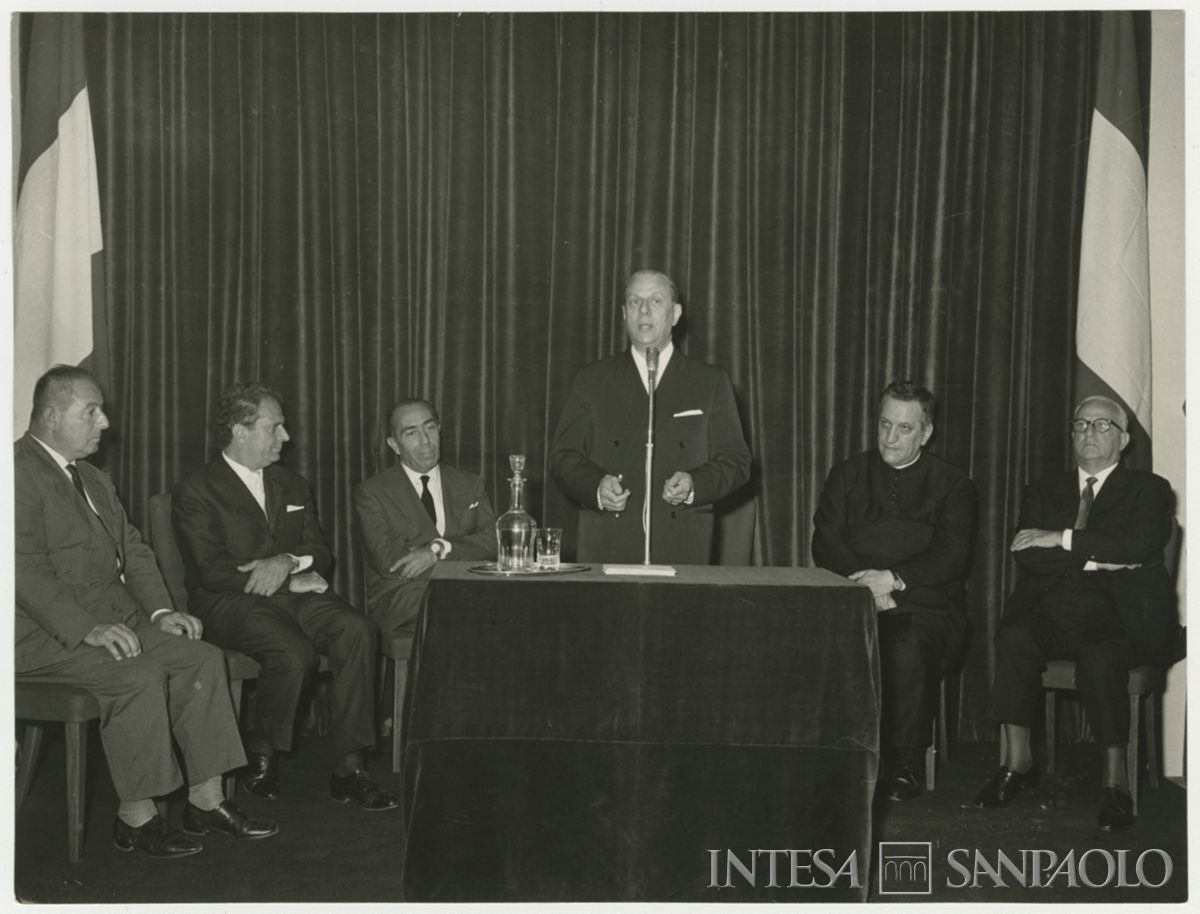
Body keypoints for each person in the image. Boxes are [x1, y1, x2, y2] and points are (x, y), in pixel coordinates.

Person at [15, 366, 277, 857]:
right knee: (136, 674)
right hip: (43, 638)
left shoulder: (92, 478)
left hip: (118, 621)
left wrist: (159, 612)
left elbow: (132, 551)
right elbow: (22, 570)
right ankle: (136, 816)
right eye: (90, 411)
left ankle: (206, 800)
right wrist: (87, 628)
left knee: (200, 657)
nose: (105, 422)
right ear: (50, 416)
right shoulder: (16, 474)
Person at [172, 382, 397, 812]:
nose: (286, 437)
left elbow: (320, 551)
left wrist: (289, 563)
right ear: (240, 430)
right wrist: (284, 577)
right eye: (274, 428)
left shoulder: (292, 485)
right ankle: (262, 749)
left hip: (292, 593)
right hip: (227, 601)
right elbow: (209, 569)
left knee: (358, 630)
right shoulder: (197, 489)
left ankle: (350, 768)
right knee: (292, 652)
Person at [974, 395, 1177, 830]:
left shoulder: (1150, 489)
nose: (1089, 432)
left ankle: (1115, 783)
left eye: (1103, 426)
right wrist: (1102, 557)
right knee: (1013, 635)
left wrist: (1061, 538)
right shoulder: (1043, 489)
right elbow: (1026, 554)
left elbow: (1139, 545)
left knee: (1101, 657)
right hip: (1050, 608)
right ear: (1071, 433)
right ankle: (1017, 764)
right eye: (1081, 424)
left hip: (1117, 614)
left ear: (1123, 440)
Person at [812, 380, 977, 801]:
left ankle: (904, 762)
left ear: (926, 433)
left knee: (904, 646)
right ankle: (831, 755)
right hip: (854, 599)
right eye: (885, 424)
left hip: (926, 607)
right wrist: (867, 584)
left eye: (904, 429)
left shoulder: (954, 484)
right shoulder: (847, 473)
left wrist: (894, 580)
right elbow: (826, 541)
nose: (890, 438)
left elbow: (952, 556)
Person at [549, 269, 751, 564]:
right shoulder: (592, 380)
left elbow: (736, 460)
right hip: (608, 543)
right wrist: (595, 486)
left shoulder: (710, 382)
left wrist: (695, 484)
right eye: (634, 301)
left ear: (676, 313)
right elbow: (563, 456)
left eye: (655, 301)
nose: (643, 310)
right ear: (623, 313)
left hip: (682, 545)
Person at [354, 398, 497, 637]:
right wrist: (462, 559)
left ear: (439, 430)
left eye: (430, 428)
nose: (425, 441)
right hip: (403, 597)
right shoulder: (372, 492)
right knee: (472, 611)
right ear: (394, 444)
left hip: (466, 592)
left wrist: (437, 550)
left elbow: (493, 541)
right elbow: (389, 561)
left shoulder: (471, 484)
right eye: (411, 433)